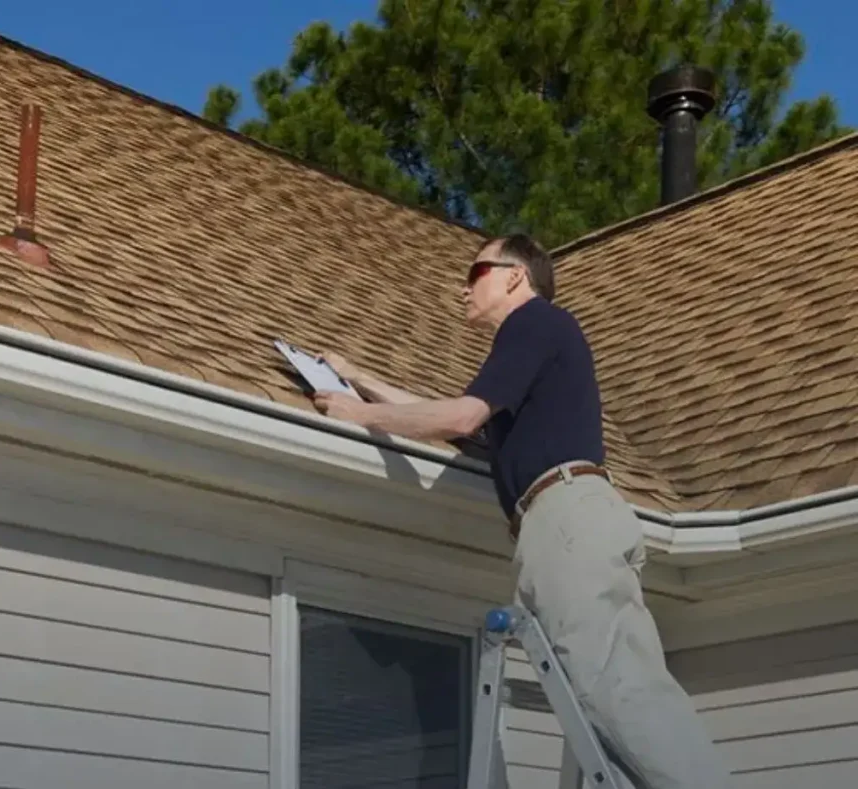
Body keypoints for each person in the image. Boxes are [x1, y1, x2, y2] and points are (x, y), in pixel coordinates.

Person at [310, 233, 729, 789]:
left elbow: (459, 418)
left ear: (515, 276)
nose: (463, 288)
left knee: (614, 691)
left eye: (475, 271)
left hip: (564, 521)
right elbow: (458, 420)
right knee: (624, 698)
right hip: (581, 518)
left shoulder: (534, 323)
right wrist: (356, 378)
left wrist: (356, 414)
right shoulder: (537, 356)